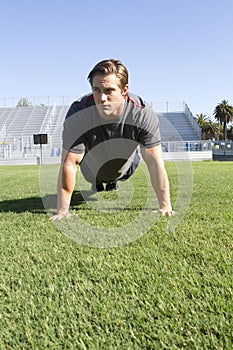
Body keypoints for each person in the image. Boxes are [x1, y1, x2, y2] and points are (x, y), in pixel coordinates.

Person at [50, 59, 174, 221]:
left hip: (126, 166)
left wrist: (165, 206)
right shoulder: (79, 112)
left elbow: (154, 162)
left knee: (119, 172)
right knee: (96, 176)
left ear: (124, 90)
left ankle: (112, 181)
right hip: (92, 169)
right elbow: (69, 163)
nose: (102, 98)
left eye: (109, 90)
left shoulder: (142, 113)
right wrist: (62, 211)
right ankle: (102, 183)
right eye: (96, 90)